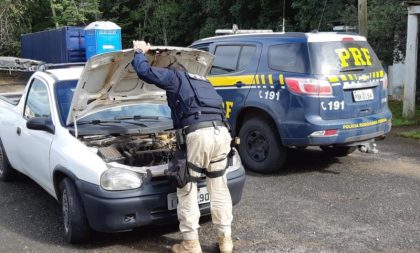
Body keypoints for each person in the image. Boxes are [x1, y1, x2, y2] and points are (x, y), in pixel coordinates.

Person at [131, 41, 234, 253]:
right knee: (219, 189)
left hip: (199, 135)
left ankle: (190, 244)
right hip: (221, 134)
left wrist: (139, 52)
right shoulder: (203, 82)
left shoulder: (174, 77)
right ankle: (226, 241)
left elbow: (143, 71)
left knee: (187, 188)